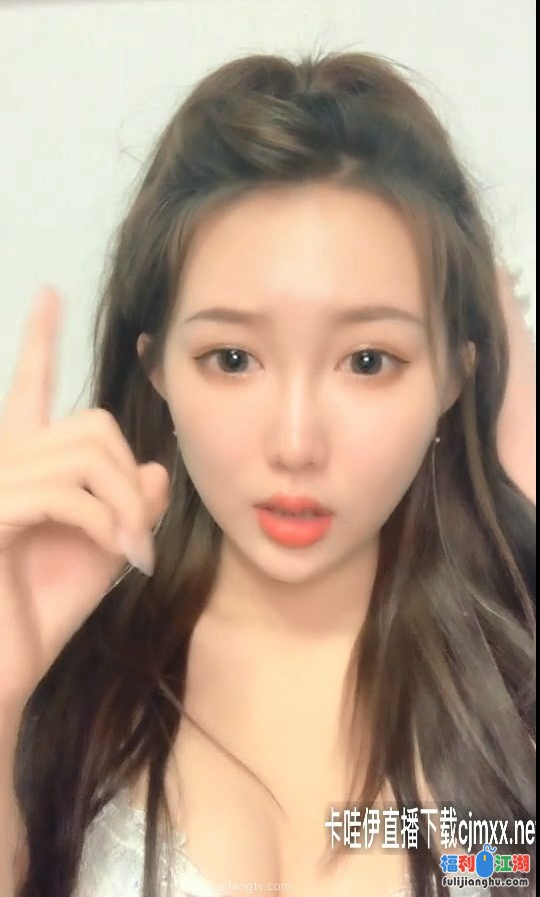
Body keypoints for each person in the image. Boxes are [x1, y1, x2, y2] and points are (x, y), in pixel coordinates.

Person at [0, 52, 535, 897]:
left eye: (368, 360)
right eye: (232, 358)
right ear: (157, 368)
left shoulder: (517, 680)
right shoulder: (52, 675)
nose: (295, 443)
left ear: (453, 377)